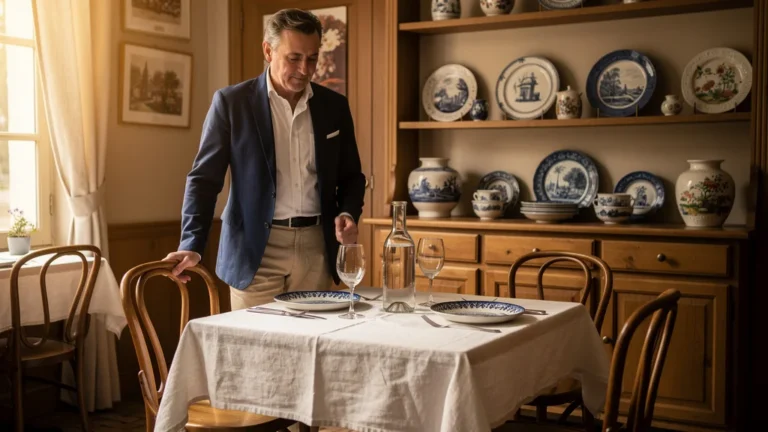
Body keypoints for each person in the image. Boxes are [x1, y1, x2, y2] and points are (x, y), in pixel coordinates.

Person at [163, 8, 366, 310]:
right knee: (254, 341)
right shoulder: (231, 103)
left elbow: (351, 176)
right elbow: (204, 180)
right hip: (254, 251)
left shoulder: (334, 107)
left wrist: (348, 211)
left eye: (312, 58)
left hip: (316, 249)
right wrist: (191, 243)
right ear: (268, 51)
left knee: (311, 339)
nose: (305, 69)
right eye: (294, 58)